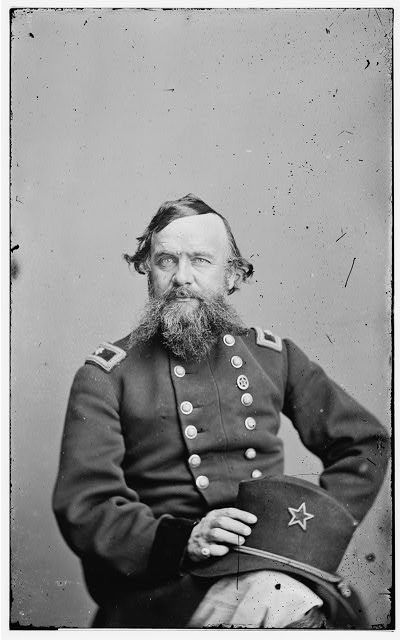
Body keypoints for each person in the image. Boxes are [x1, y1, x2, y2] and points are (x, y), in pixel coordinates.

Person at [52, 194, 390, 628]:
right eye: (166, 261)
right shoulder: (107, 375)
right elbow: (86, 506)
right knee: (286, 608)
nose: (182, 277)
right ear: (146, 270)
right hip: (168, 588)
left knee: (299, 605)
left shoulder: (273, 357)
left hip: (270, 563)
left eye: (200, 260)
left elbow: (366, 443)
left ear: (232, 276)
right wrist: (185, 541)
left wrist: (307, 529)